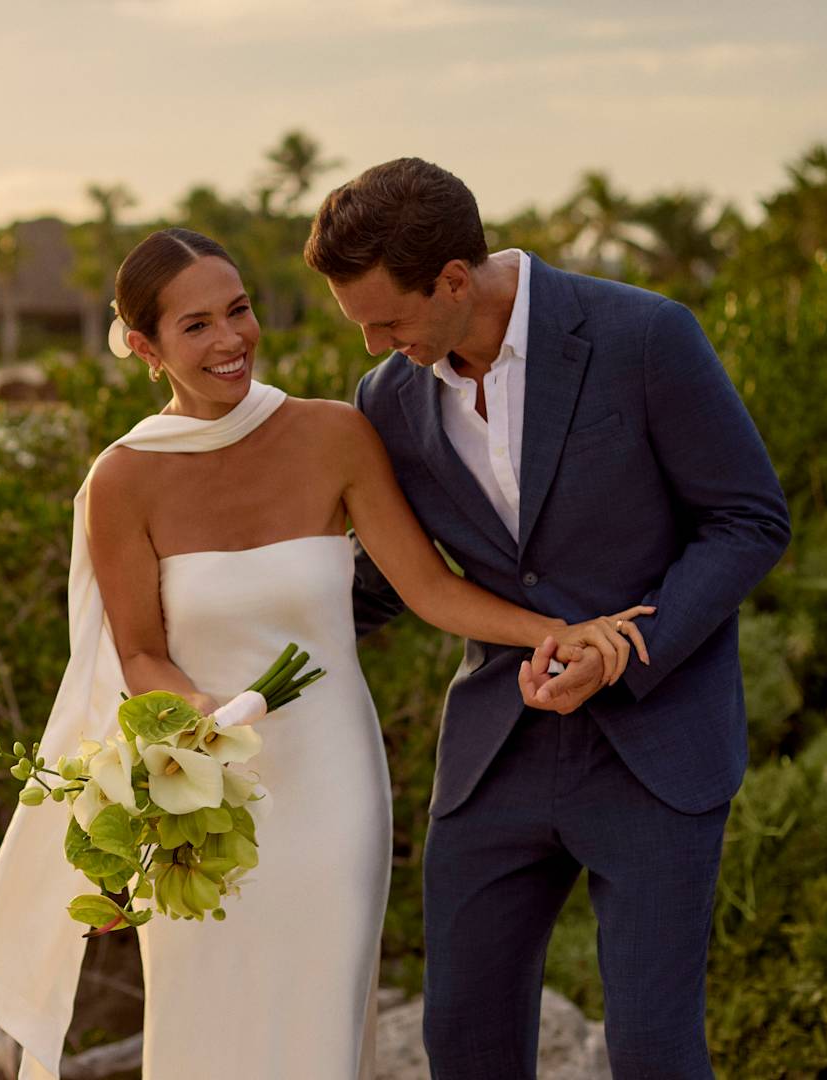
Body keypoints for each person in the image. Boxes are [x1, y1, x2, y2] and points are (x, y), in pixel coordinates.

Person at [0, 227, 652, 1079]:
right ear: (145, 346)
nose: (231, 340)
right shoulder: (122, 479)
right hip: (200, 804)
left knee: (319, 1031)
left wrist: (555, 632)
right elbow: (138, 653)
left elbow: (430, 589)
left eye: (239, 311)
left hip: (331, 788)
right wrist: (190, 717)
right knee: (204, 1029)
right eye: (196, 326)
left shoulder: (334, 435)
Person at [305, 158, 792, 1078]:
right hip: (496, 757)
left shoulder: (645, 335)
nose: (373, 345)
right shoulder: (390, 401)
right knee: (466, 1048)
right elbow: (385, 582)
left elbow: (748, 520)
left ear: (454, 280)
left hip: (656, 751)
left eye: (387, 320)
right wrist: (239, 665)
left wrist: (626, 650)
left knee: (653, 1052)